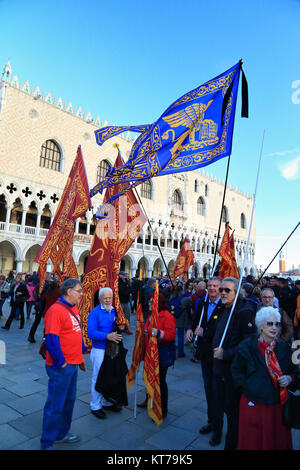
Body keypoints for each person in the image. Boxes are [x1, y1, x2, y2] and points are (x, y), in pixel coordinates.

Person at [231, 306, 298, 450]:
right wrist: (250, 386)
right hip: (254, 403)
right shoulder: (246, 346)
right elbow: (236, 371)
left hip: (277, 405)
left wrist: (289, 379)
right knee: (253, 441)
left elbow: (296, 372)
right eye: (269, 323)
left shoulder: (285, 347)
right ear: (261, 326)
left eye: (277, 324)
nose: (274, 327)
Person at [40, 278, 86, 450]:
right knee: (55, 404)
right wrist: (62, 363)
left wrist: (80, 355)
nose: (81, 294)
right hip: (62, 366)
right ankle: (47, 443)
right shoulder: (55, 310)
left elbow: (77, 332)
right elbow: (51, 339)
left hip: (73, 363)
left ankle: (61, 434)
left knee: (69, 401)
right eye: (79, 291)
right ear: (69, 292)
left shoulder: (73, 308)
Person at [212, 277, 257, 450]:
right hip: (219, 368)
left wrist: (227, 353)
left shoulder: (244, 311)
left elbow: (250, 344)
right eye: (221, 289)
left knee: (232, 413)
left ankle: (232, 445)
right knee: (222, 405)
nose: (222, 292)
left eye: (227, 290)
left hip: (232, 371)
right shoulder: (224, 307)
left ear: (236, 292)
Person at [186, 276, 223, 445]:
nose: (213, 288)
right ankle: (211, 421)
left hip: (218, 354)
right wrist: (190, 330)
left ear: (220, 288)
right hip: (204, 353)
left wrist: (204, 332)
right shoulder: (203, 302)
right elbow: (195, 321)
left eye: (216, 286)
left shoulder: (224, 306)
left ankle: (218, 429)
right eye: (210, 286)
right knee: (208, 389)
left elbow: (221, 330)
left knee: (217, 391)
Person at [138, 292, 176, 418]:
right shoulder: (150, 316)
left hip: (162, 352)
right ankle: (149, 399)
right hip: (150, 352)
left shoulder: (167, 316)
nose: (148, 304)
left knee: (160, 381)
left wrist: (158, 333)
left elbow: (171, 335)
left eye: (151, 302)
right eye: (148, 302)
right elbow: (147, 330)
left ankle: (162, 408)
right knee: (149, 377)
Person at [87, 287, 123, 419]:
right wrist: (107, 336)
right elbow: (91, 332)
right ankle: (95, 405)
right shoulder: (95, 313)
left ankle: (106, 401)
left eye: (110, 298)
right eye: (105, 298)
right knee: (98, 377)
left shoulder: (114, 311)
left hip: (112, 351)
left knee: (109, 377)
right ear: (100, 299)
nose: (108, 300)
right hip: (99, 350)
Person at [28, 278, 60, 343]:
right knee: (48, 324)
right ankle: (45, 336)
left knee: (36, 322)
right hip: (49, 310)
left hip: (41, 307)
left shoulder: (46, 290)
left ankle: (31, 335)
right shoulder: (57, 292)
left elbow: (41, 299)